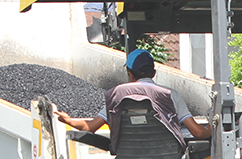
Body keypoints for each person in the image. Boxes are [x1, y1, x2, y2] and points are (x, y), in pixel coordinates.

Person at [54, 48, 209, 145]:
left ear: (130, 73)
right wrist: (212, 130)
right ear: (154, 73)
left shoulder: (117, 96)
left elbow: (90, 127)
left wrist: (68, 120)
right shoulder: (169, 95)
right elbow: (198, 133)